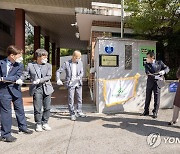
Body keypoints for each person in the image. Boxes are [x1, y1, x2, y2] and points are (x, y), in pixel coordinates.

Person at [0, 45, 33, 142]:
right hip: (4, 91)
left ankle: (23, 127)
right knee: (6, 113)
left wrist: (3, 79)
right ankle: (6, 134)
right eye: (19, 56)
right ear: (12, 55)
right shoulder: (1, 63)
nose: (21, 58)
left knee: (20, 109)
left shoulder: (19, 65)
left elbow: (17, 76)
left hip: (15, 90)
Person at [18, 49, 54, 132]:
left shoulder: (48, 65)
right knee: (37, 107)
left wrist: (40, 80)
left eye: (46, 57)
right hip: (36, 89)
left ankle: (45, 122)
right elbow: (25, 74)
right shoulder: (31, 65)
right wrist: (21, 79)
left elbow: (49, 76)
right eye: (44, 57)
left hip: (47, 88)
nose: (46, 58)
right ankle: (38, 123)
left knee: (47, 107)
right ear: (38, 57)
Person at [56, 50, 86, 121]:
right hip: (70, 84)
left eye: (79, 58)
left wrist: (79, 77)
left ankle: (79, 111)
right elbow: (58, 71)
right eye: (77, 58)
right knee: (71, 99)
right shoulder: (66, 63)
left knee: (79, 98)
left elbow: (82, 72)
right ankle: (72, 113)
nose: (78, 59)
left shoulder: (80, 63)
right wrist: (58, 79)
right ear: (74, 57)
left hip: (78, 83)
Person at [140, 51, 169, 118]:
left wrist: (164, 71)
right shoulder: (147, 65)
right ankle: (146, 111)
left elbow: (167, 68)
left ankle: (155, 112)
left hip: (157, 83)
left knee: (157, 99)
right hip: (150, 83)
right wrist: (156, 76)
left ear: (152, 57)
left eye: (148, 57)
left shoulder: (160, 63)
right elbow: (148, 73)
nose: (146, 59)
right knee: (147, 98)